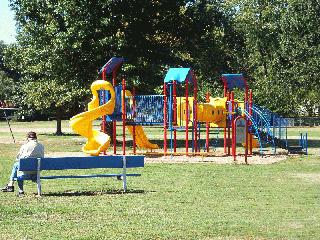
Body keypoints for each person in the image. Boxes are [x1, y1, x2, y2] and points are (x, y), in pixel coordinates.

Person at [1, 131, 44, 196]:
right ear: (36, 138)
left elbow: (19, 158)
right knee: (19, 166)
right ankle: (10, 184)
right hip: (37, 171)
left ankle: (17, 188)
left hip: (26, 170)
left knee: (17, 166)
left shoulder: (25, 146)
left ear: (28, 138)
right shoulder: (41, 146)